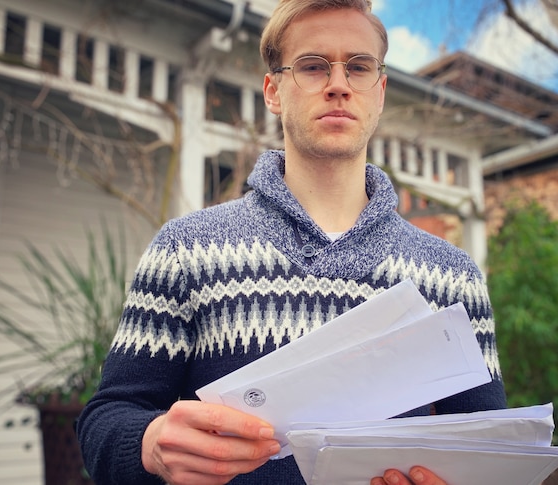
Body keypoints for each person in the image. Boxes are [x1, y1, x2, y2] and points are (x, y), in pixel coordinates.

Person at [76, 0, 506, 483]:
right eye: (313, 66)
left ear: (379, 92)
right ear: (273, 90)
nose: (339, 84)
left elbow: (485, 451)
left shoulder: (454, 276)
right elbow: (105, 421)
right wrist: (150, 444)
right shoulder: (185, 250)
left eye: (359, 67)